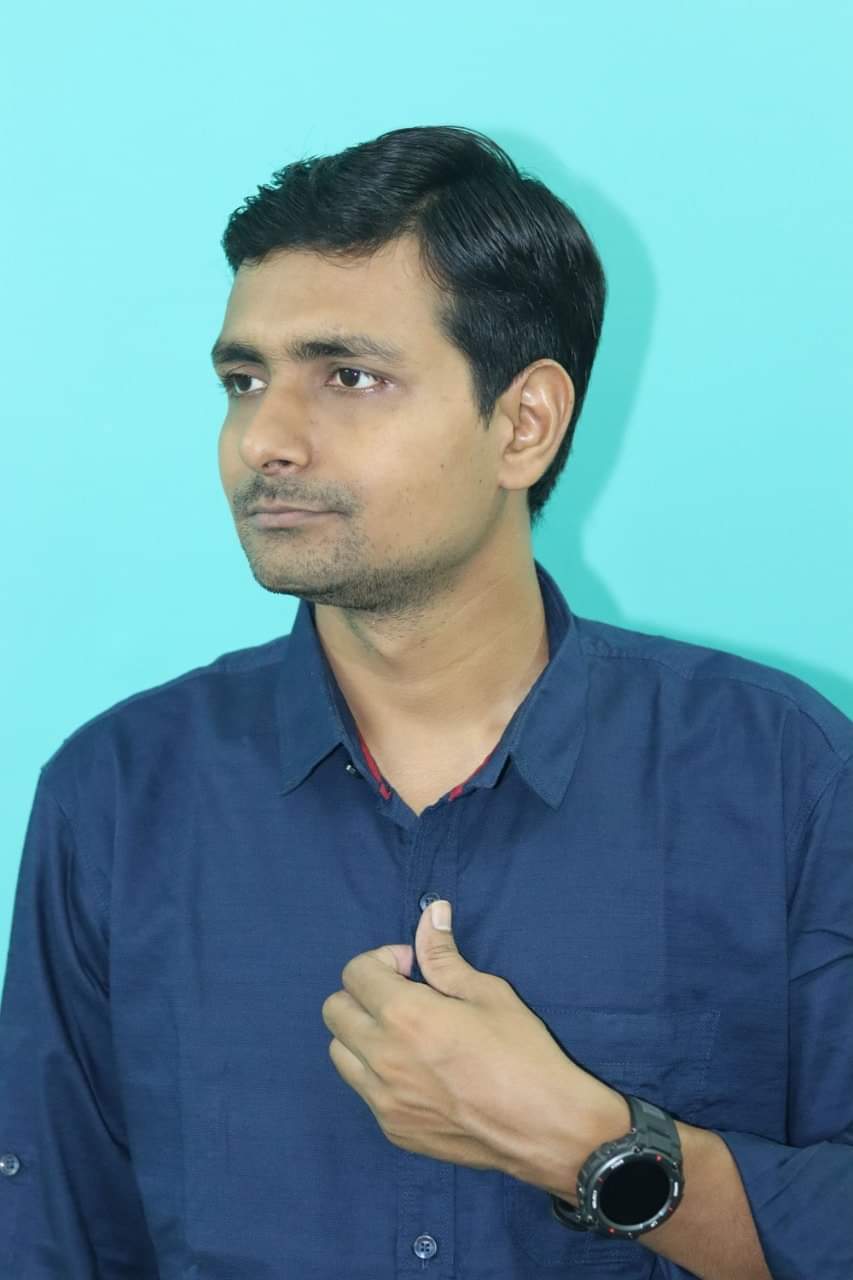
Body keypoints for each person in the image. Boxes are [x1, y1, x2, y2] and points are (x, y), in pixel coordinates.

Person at [1, 124, 850, 1279]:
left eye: (348, 376)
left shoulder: (780, 773)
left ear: (523, 423)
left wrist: (591, 1145)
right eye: (244, 381)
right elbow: (50, 1236)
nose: (264, 439)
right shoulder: (117, 794)